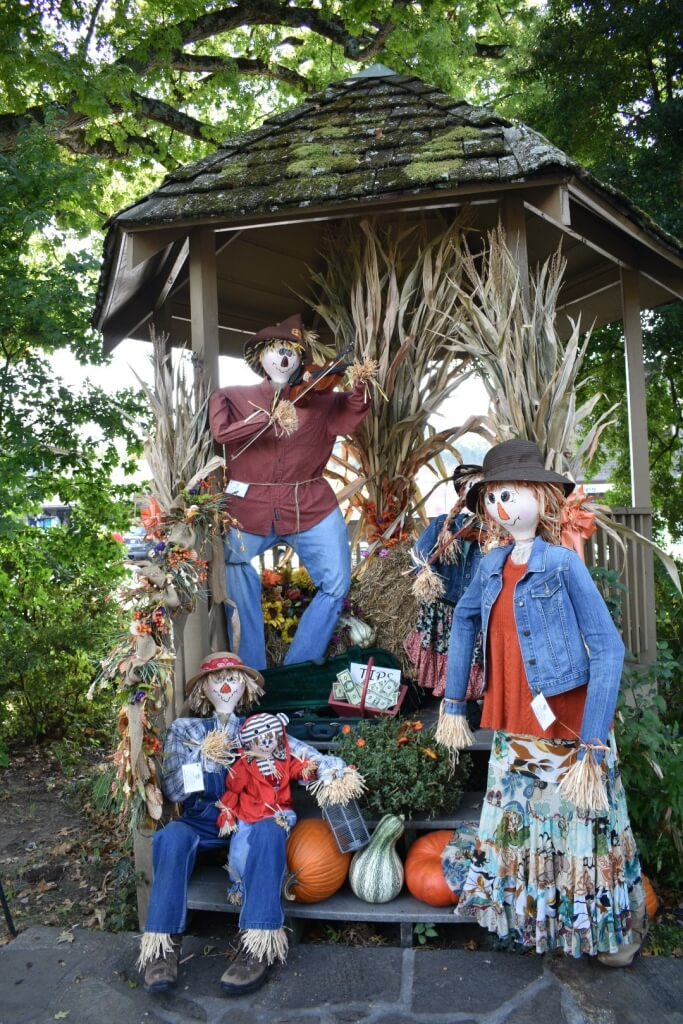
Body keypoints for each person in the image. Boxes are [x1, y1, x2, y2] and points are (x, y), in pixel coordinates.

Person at [437, 439, 646, 966]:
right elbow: (463, 621)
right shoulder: (489, 565)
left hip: (572, 728)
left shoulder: (561, 565)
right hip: (515, 724)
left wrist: (594, 743)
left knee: (583, 828)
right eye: (491, 498)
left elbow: (607, 647)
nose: (500, 507)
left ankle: (612, 930)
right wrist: (454, 702)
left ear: (542, 497)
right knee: (525, 826)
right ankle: (542, 925)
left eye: (510, 494)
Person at [138, 651, 351, 996]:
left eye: (234, 678)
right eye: (216, 679)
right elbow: (173, 791)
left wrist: (331, 771)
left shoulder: (257, 729)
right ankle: (162, 948)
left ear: (246, 687)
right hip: (205, 820)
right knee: (171, 836)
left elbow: (301, 754)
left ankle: (257, 944)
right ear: (203, 689)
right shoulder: (185, 729)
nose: (225, 685)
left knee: (270, 831)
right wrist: (201, 759)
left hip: (253, 818)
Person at [208, 314, 372, 670]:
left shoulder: (322, 400)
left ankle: (299, 664)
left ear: (300, 360)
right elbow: (221, 433)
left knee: (337, 582)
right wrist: (265, 418)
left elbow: (352, 412)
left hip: (309, 504)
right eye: (276, 351)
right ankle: (252, 668)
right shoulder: (233, 397)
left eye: (292, 353)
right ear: (261, 358)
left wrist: (360, 385)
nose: (284, 358)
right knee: (233, 564)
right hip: (249, 506)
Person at [404, 463, 483, 697]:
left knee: (472, 657)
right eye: (471, 488)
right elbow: (418, 557)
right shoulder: (442, 525)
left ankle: (469, 702)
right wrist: (425, 575)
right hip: (445, 607)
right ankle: (450, 703)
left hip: (475, 610)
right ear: (461, 493)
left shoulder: (494, 531)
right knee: (449, 656)